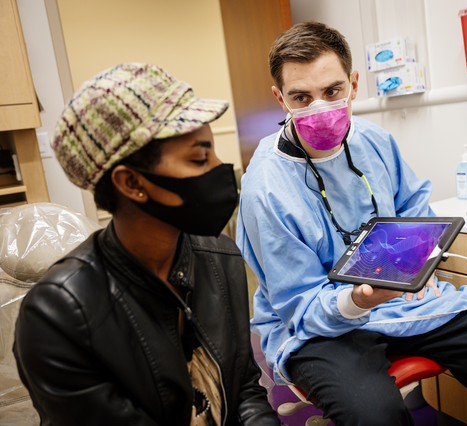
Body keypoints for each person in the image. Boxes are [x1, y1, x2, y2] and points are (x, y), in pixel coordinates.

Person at [236, 22, 467, 426]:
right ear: (280, 99)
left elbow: (413, 208)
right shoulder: (265, 188)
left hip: (401, 302)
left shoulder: (373, 140)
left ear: (354, 84)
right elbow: (297, 304)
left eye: (333, 91)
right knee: (376, 415)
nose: (320, 107)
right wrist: (358, 299)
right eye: (301, 97)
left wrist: (417, 262)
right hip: (317, 328)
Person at [13, 63, 281, 426]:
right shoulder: (58, 315)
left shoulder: (219, 256)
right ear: (131, 183)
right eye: (199, 158)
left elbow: (244, 386)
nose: (222, 168)